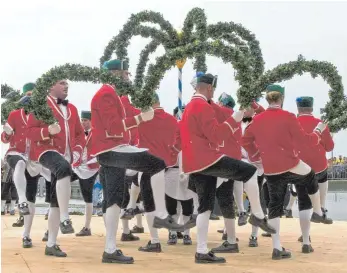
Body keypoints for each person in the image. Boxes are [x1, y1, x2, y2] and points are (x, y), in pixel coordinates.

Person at [91, 59, 183, 264]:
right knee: (156, 164)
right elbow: (114, 128)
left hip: (111, 150)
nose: (128, 78)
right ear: (116, 74)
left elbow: (130, 114)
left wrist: (143, 114)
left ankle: (110, 249)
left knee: (113, 201)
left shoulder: (115, 95)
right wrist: (141, 117)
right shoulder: (106, 93)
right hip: (112, 148)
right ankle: (159, 212)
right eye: (126, 74)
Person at [181, 73, 275, 264]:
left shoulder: (190, 106)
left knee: (205, 207)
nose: (213, 92)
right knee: (250, 173)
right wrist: (236, 118)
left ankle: (201, 251)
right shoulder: (203, 106)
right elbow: (216, 136)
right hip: (208, 159)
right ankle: (256, 214)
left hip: (194, 163)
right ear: (208, 88)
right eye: (212, 89)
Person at [242, 84, 327, 260]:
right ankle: (318, 211)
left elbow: (245, 140)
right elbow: (306, 141)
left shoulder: (257, 120)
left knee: (274, 205)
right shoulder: (288, 117)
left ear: (268, 98)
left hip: (271, 168)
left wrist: (256, 154)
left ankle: (276, 247)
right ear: (281, 98)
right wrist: (319, 130)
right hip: (290, 163)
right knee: (311, 176)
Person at [27, 79, 86, 257]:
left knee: (55, 201)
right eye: (61, 83)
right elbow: (29, 131)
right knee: (62, 169)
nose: (66, 86)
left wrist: (76, 152)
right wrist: (47, 132)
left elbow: (79, 135)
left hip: (67, 157)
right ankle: (65, 218)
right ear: (51, 86)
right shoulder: (40, 105)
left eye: (67, 83)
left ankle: (51, 244)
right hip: (46, 150)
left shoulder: (73, 109)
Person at [73, 110, 100, 236]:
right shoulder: (77, 133)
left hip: (90, 167)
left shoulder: (97, 133)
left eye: (85, 120)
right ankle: (58, 212)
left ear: (91, 121)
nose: (83, 122)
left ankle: (87, 227)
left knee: (87, 197)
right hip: (76, 166)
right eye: (82, 120)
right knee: (60, 179)